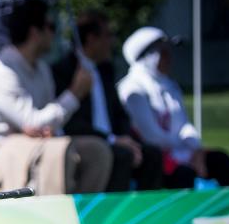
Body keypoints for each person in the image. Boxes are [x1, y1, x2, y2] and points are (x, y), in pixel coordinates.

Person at [0, 0, 111, 196]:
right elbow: (33, 122)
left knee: (96, 151)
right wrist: (75, 93)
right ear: (34, 32)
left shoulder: (42, 69)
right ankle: (53, 220)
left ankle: (85, 215)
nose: (54, 33)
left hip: (29, 144)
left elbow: (45, 124)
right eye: (50, 26)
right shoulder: (0, 70)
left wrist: (46, 130)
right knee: (56, 152)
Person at [117, 26, 229, 188]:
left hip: (180, 153)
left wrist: (196, 150)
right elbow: (150, 136)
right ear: (148, 57)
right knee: (183, 173)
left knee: (220, 159)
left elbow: (182, 124)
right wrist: (184, 153)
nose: (169, 58)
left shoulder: (170, 85)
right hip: (153, 158)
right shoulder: (132, 89)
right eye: (163, 53)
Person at [52, 11, 162, 192]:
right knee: (121, 155)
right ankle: (113, 217)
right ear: (91, 38)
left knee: (151, 154)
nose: (111, 42)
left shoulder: (105, 69)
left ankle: (146, 215)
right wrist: (112, 140)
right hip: (88, 141)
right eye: (107, 35)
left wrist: (125, 137)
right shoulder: (63, 71)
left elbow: (119, 114)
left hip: (114, 140)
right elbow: (71, 123)